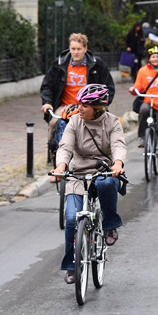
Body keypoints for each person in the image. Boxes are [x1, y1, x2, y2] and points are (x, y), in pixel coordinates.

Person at [49, 84, 126, 284]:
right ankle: (71, 266)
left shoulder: (112, 122)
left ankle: (110, 225)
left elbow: (118, 144)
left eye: (84, 105)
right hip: (77, 173)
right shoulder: (74, 121)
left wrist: (118, 163)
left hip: (103, 169)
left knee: (107, 184)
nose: (79, 108)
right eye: (79, 103)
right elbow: (65, 146)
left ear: (98, 107)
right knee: (72, 218)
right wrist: (61, 166)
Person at [41, 33, 115, 148]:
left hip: (90, 106)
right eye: (73, 49)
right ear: (69, 48)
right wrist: (47, 102)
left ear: (85, 49)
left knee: (103, 130)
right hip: (65, 107)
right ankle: (55, 156)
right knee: (54, 124)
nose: (76, 52)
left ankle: (104, 156)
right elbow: (47, 85)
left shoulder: (97, 64)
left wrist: (99, 105)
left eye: (79, 49)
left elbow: (109, 87)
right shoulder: (59, 64)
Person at [129, 45, 158, 169]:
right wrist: (134, 90)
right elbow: (138, 86)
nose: (155, 59)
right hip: (148, 101)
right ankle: (142, 137)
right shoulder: (142, 71)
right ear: (149, 58)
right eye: (153, 57)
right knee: (143, 110)